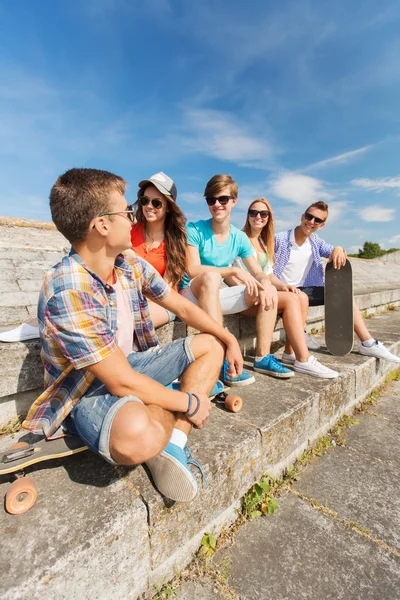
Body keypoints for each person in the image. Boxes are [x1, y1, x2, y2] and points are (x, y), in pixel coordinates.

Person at [22, 168, 243, 503]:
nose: (134, 217)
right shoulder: (68, 289)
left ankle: (174, 443)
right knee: (138, 437)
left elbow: (181, 307)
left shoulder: (127, 263)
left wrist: (228, 339)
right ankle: (169, 401)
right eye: (127, 211)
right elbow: (120, 382)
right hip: (87, 390)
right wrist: (190, 401)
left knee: (210, 343)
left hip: (131, 366)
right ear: (102, 225)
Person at [179, 174, 294, 383]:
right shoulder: (195, 229)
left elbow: (258, 272)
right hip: (191, 295)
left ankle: (262, 357)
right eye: (211, 200)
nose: (216, 205)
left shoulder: (239, 237)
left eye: (222, 199)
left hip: (215, 296)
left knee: (267, 291)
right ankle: (220, 360)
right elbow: (193, 269)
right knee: (210, 278)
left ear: (233, 201)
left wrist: (266, 283)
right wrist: (232, 272)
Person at [274, 201, 400, 364]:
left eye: (317, 220)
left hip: (305, 291)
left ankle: (368, 342)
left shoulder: (315, 241)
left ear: (322, 225)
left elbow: (334, 252)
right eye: (309, 217)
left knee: (343, 294)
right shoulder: (280, 239)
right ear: (302, 216)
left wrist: (339, 248)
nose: (311, 222)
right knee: (300, 298)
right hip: (283, 292)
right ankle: (301, 333)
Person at [237, 198, 338, 378]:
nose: (258, 217)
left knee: (300, 296)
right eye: (253, 212)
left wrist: (284, 286)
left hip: (260, 293)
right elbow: (234, 271)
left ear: (269, 217)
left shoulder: (262, 243)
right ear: (248, 216)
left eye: (263, 213)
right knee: (292, 298)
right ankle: (304, 359)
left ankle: (290, 353)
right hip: (243, 294)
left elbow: (268, 275)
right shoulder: (239, 237)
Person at [130, 171, 187, 328]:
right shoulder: (130, 231)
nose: (149, 206)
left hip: (164, 302)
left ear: (168, 207)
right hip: (130, 299)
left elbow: (167, 285)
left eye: (156, 203)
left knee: (130, 323)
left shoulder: (176, 239)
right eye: (145, 200)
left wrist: (139, 301)